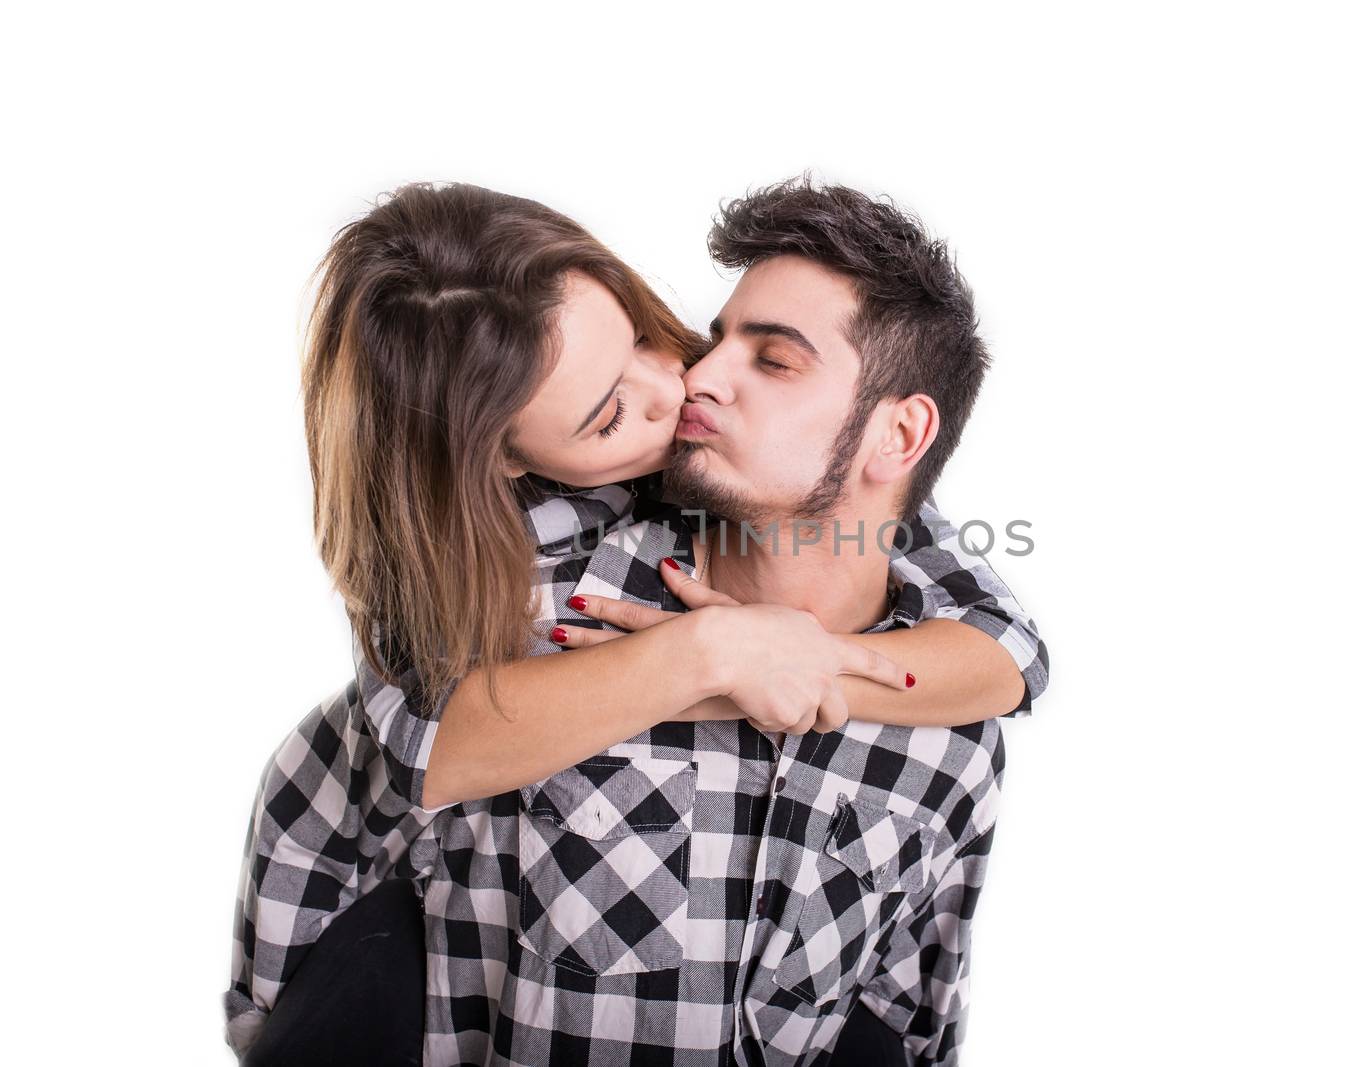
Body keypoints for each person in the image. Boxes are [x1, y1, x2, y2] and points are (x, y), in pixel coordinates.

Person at [225, 182, 1046, 1064]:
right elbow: (421, 739)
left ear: (900, 436)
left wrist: (800, 672)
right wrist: (707, 652)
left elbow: (1013, 654)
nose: (691, 377)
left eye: (769, 358)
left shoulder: (945, 713)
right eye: (608, 412)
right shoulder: (524, 574)